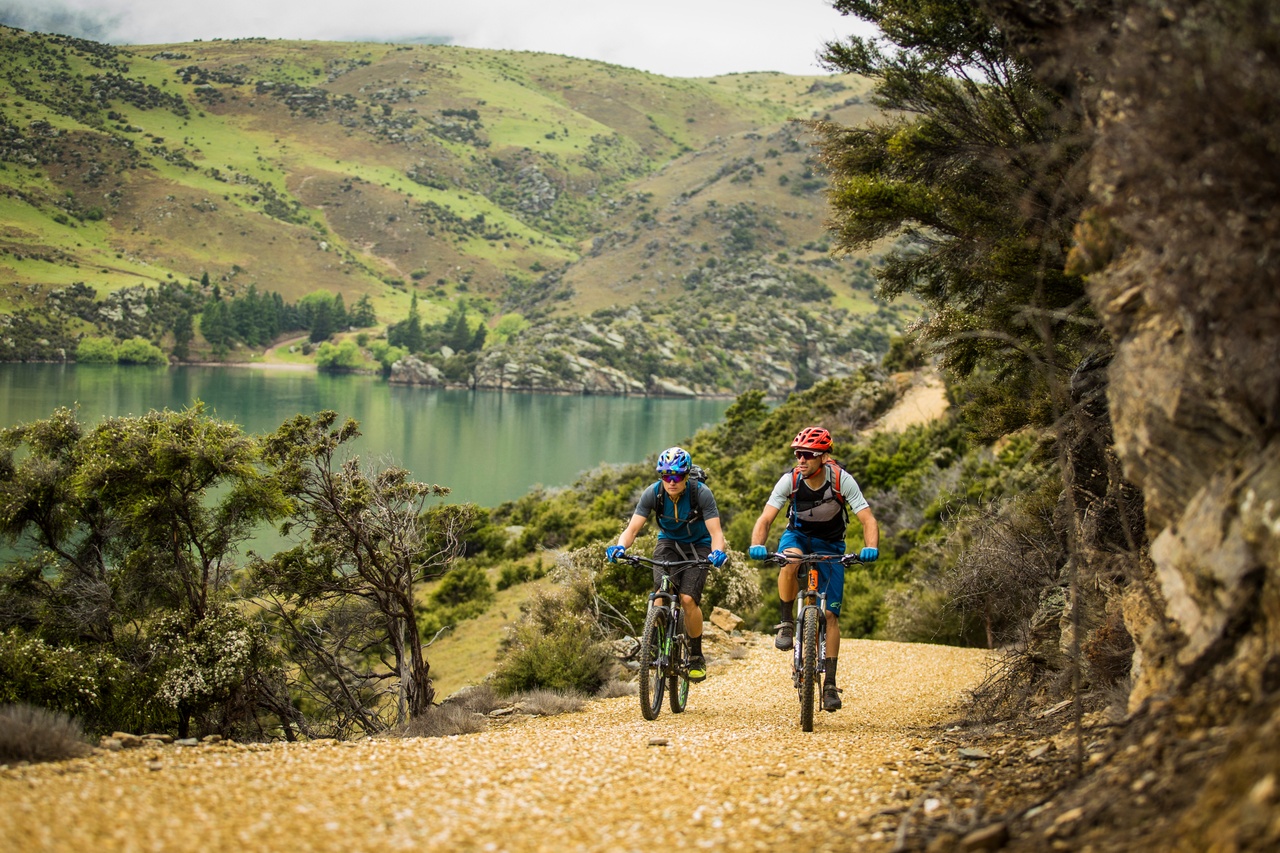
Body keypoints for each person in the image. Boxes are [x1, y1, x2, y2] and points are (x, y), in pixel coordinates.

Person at [747, 426, 879, 712]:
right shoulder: (791, 480)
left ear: (823, 456)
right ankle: (785, 623)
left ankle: (829, 684)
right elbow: (766, 518)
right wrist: (757, 543)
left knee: (830, 615)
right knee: (790, 561)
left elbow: (867, 519)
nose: (801, 460)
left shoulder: (842, 481)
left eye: (808, 454)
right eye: (798, 454)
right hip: (797, 537)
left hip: (831, 545)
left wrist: (871, 547)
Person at [606, 446, 728, 683]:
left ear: (686, 475)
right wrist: (620, 547)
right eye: (665, 476)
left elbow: (716, 533)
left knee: (688, 599)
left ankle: (695, 656)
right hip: (668, 544)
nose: (671, 481)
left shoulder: (701, 493)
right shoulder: (653, 493)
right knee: (660, 593)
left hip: (699, 546)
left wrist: (717, 553)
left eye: (677, 476)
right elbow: (632, 529)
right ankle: (655, 643)